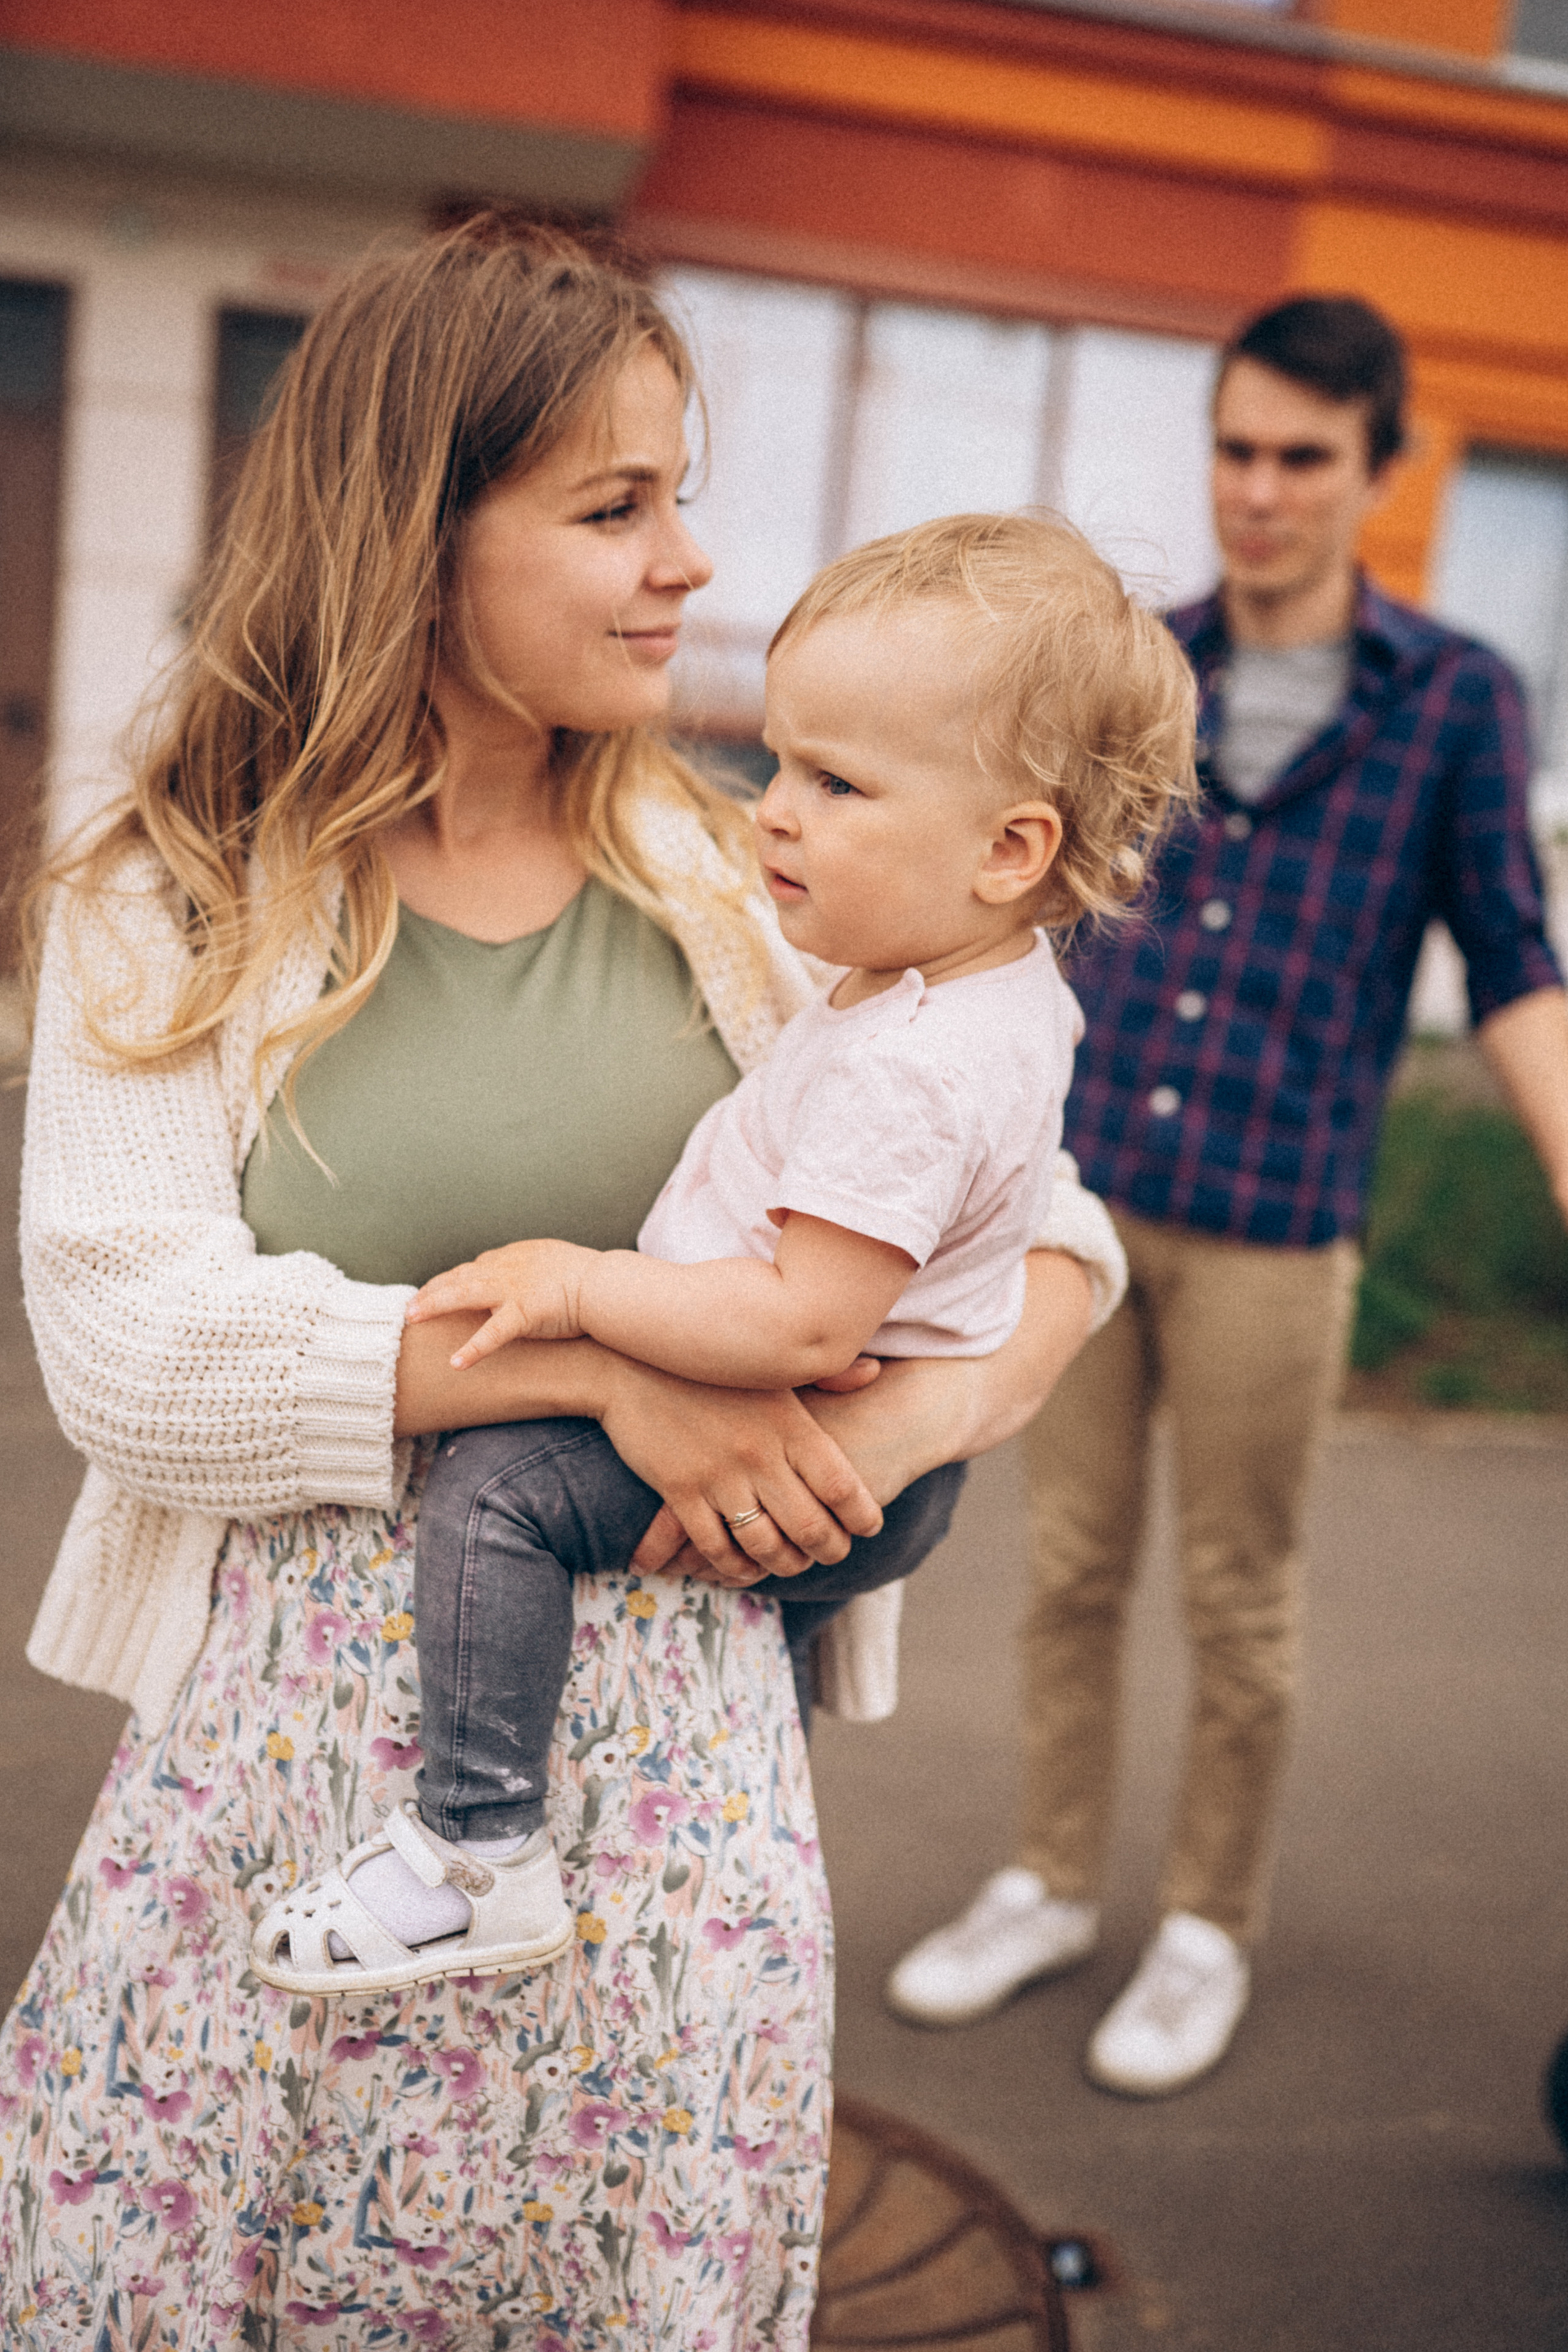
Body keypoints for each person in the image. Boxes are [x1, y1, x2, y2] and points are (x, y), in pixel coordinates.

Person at [0, 219, 1123, 2346]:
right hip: (302, 1812)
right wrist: (609, 1373)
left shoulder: (746, 878)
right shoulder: (168, 893)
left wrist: (890, 1415)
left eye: (681, 497)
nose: (689, 563)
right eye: (616, 508)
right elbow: (130, 1347)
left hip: (683, 1822)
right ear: (413, 534)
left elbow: (1055, 1224)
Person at [248, 512, 1197, 2000]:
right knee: (737, 1691)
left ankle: (475, 1850)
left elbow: (799, 1324)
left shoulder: (912, 1065)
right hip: (873, 1463)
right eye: (776, 761)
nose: (772, 811)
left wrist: (574, 1286)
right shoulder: (971, 988)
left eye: (833, 783)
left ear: (1011, 849)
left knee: (499, 1497)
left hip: (828, 1438)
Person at [888, 294, 1568, 2098]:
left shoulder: (1454, 704)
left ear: (1377, 470)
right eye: (1236, 449)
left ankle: (1204, 1926)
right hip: (1081, 1214)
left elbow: (1514, 960)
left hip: (1280, 1225)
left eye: (1303, 459)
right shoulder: (1139, 668)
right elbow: (1010, 885)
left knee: (1239, 1600)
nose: (1259, 491)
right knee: (1067, 1571)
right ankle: (1044, 1881)